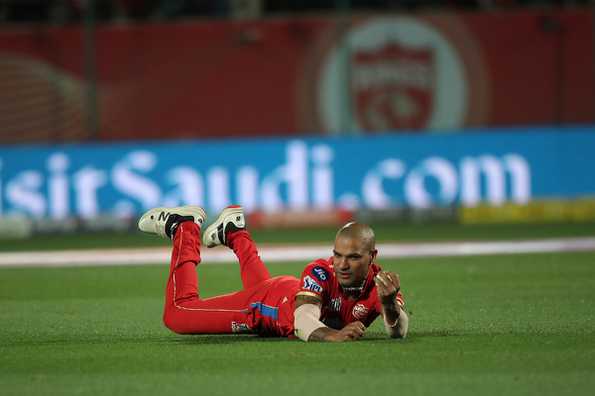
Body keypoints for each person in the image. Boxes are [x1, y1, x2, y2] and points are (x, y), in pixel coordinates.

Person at [138, 204, 409, 342]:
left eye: (353, 257)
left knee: (266, 288)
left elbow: (398, 331)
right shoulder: (320, 271)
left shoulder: (380, 284)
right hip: (266, 306)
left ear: (372, 258)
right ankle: (184, 228)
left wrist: (388, 305)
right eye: (337, 255)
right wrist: (332, 335)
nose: (342, 264)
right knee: (177, 314)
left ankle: (233, 232)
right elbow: (303, 321)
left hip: (281, 293)